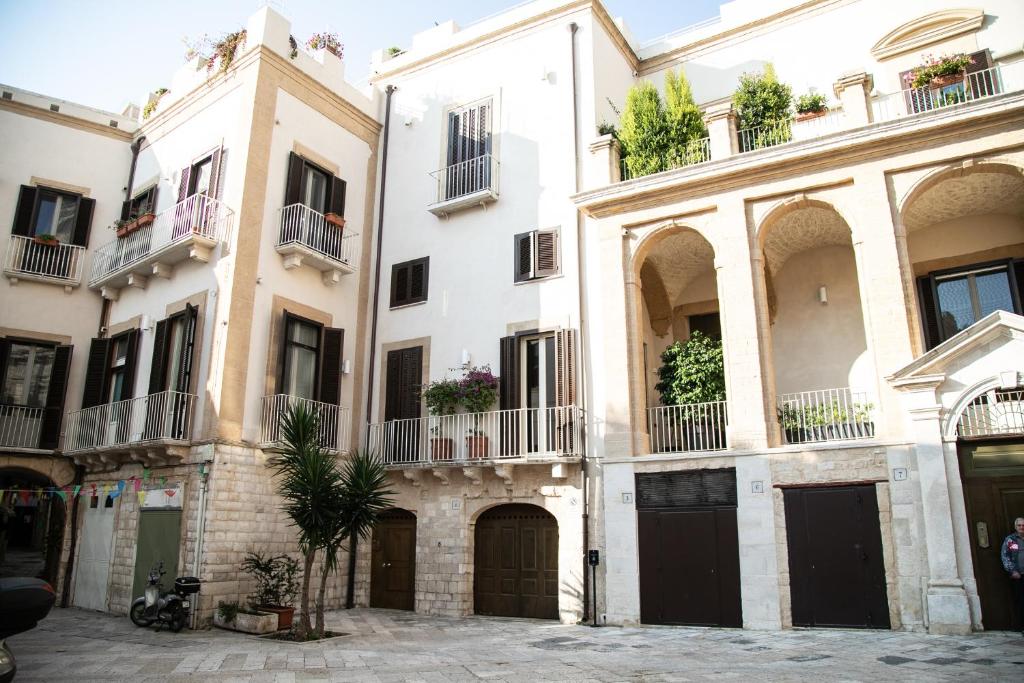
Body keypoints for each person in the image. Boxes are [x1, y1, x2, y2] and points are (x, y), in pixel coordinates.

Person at [1001, 516, 1024, 633]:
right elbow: (1006, 556)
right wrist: (1012, 571)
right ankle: (1020, 626)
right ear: (1016, 527)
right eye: (1019, 525)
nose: (1022, 527)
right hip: (1018, 575)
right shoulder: (1011, 540)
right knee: (1020, 601)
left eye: (1023, 525)